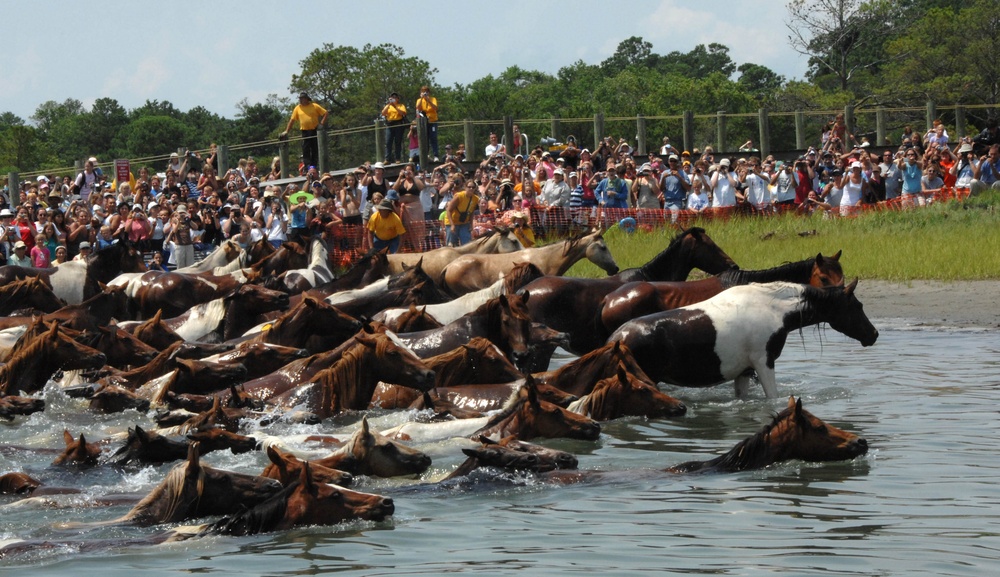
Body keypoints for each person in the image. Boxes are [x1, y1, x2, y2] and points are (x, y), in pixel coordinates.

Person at [281, 92, 328, 170]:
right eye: (300, 99)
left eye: (303, 98)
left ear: (307, 99)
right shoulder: (297, 108)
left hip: (314, 130)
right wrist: (287, 131)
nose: (301, 100)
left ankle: (314, 166)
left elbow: (325, 113)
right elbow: (292, 120)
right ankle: (307, 166)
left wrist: (321, 124)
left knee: (314, 148)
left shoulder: (314, 106)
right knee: (305, 149)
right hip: (305, 131)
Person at [446, 181, 480, 247]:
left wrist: (471, 224)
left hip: (464, 222)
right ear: (465, 187)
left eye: (473, 187)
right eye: (469, 187)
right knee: (451, 245)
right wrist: (452, 225)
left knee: (467, 244)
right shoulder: (459, 196)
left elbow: (471, 212)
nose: (471, 189)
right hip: (453, 222)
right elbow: (449, 210)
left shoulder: (476, 199)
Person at [164, 204, 195, 269]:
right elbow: (174, 231)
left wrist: (189, 219)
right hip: (179, 246)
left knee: (190, 265)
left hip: (188, 244)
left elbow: (196, 227)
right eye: (180, 213)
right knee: (180, 265)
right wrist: (178, 221)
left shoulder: (187, 220)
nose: (181, 214)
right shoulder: (174, 221)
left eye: (183, 213)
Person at [381, 92, 407, 164]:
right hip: (390, 125)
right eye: (392, 97)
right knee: (388, 142)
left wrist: (395, 106)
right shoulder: (388, 106)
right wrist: (389, 104)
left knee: (398, 142)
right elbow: (383, 113)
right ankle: (387, 159)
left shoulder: (401, 105)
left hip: (398, 125)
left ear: (398, 99)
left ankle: (397, 158)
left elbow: (403, 113)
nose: (394, 98)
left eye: (395, 97)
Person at [415, 85, 440, 161]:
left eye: (426, 91)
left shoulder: (433, 99)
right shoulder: (419, 100)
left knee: (433, 138)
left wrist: (428, 100)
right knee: (425, 138)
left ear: (429, 92)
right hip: (424, 122)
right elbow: (418, 108)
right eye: (423, 91)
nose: (425, 93)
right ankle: (426, 155)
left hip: (432, 121)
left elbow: (435, 108)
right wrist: (422, 98)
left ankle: (436, 155)